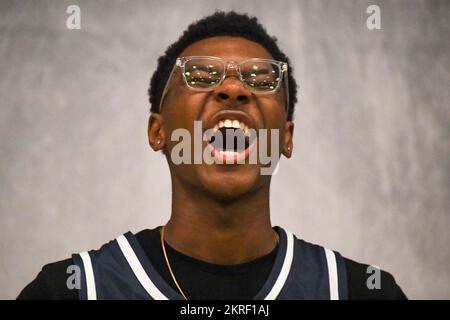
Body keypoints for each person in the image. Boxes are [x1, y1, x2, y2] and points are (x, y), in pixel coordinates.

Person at [18, 11, 406, 300]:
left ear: (286, 138)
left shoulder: (361, 291)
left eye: (261, 78)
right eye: (201, 75)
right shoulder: (71, 289)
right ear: (158, 132)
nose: (235, 89)